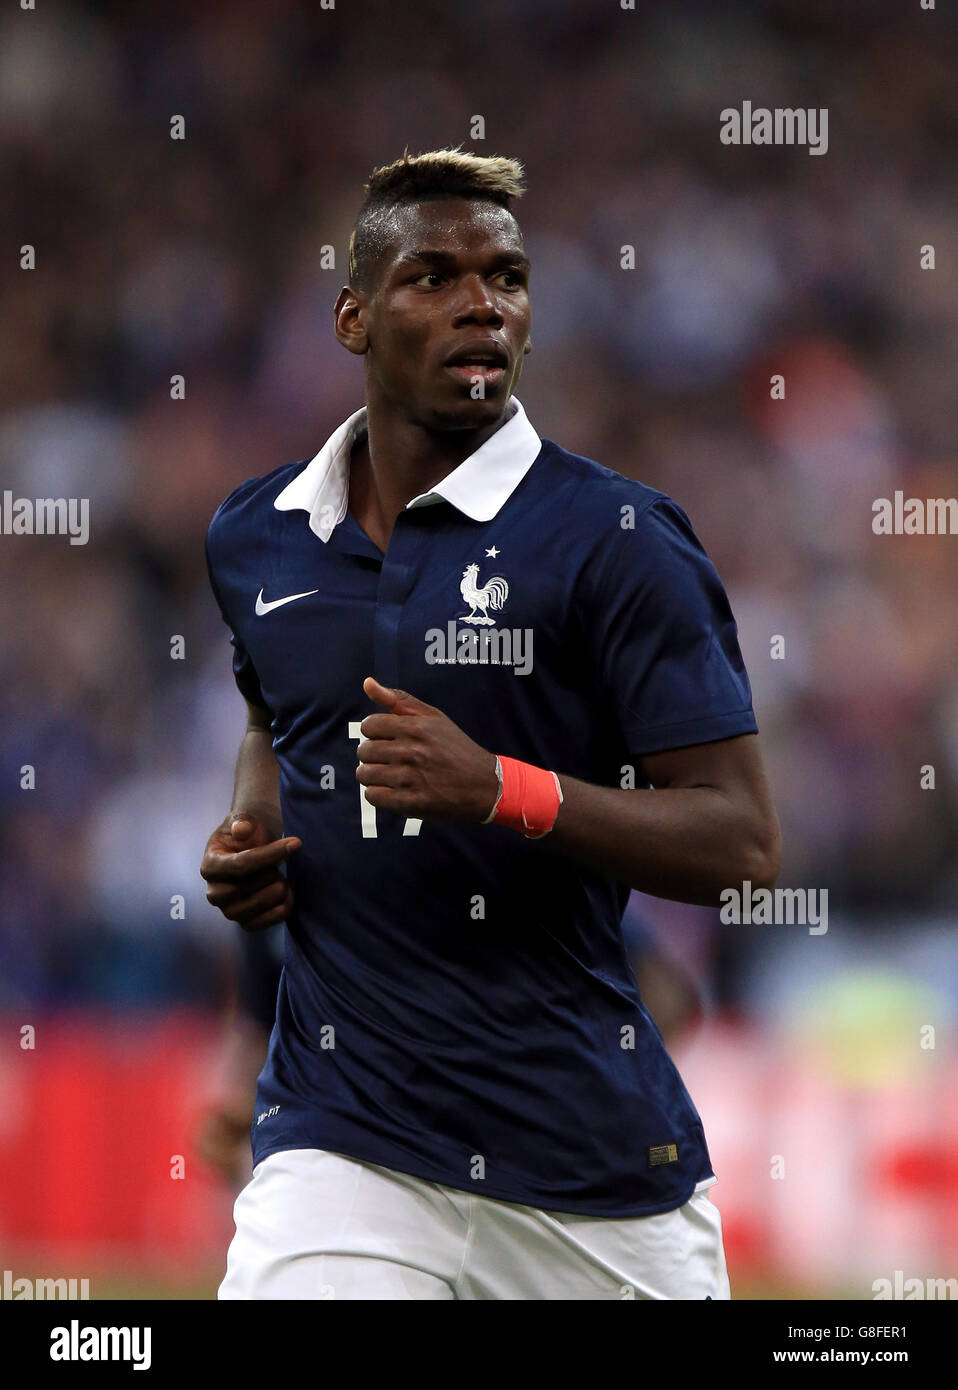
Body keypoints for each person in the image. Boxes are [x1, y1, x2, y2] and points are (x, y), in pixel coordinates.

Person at [201, 147, 781, 1300]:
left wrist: (500, 789)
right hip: (342, 1144)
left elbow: (744, 845)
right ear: (353, 319)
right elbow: (274, 713)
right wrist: (249, 833)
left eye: (506, 278)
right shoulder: (255, 533)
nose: (481, 304)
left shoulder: (619, 538)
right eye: (434, 276)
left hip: (590, 1169)